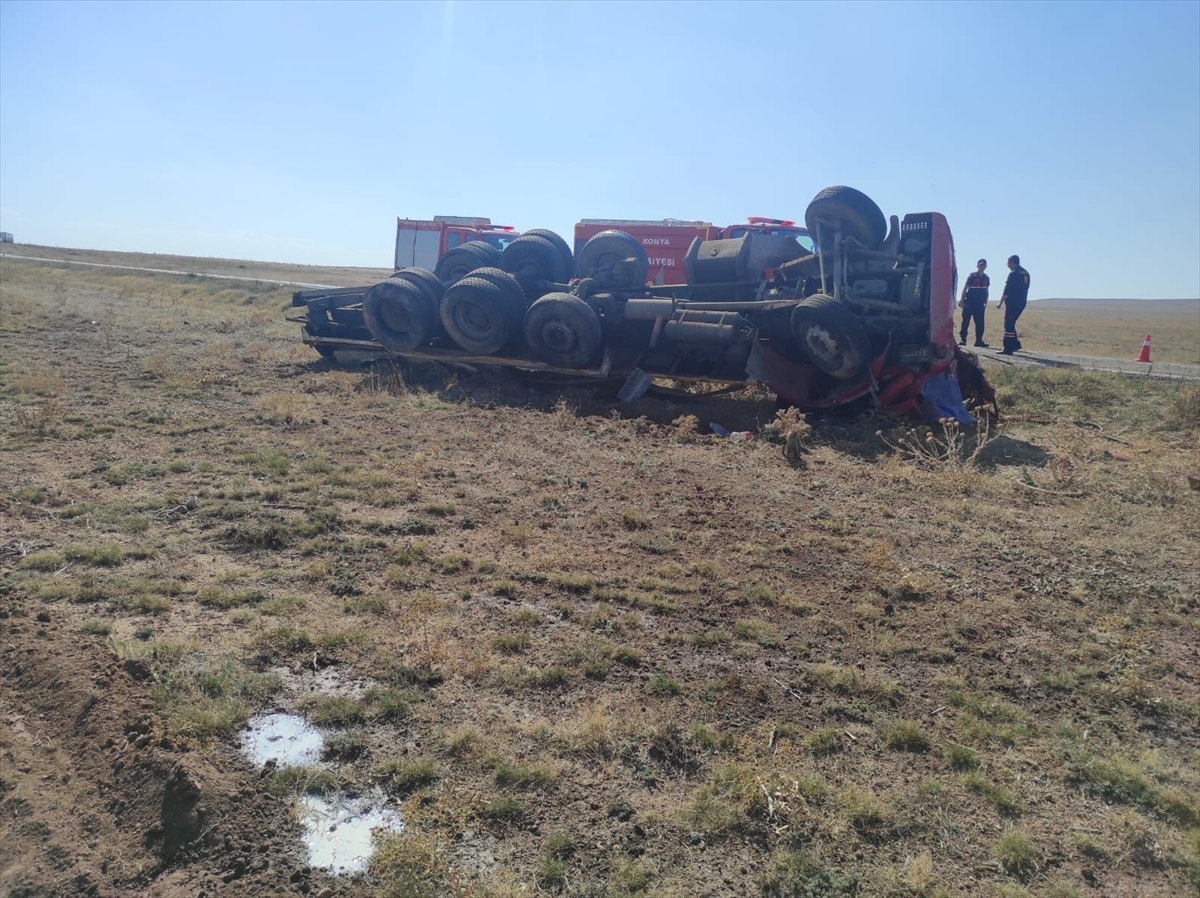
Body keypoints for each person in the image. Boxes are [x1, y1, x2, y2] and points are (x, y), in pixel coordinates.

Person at [997, 255, 1030, 354]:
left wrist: (1001, 302)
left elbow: (1007, 290)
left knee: (1008, 323)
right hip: (1022, 301)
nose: (1007, 265)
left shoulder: (1013, 274)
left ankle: (1008, 348)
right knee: (1011, 323)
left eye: (1008, 263)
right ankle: (1015, 344)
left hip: (1013, 302)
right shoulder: (1026, 273)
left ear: (1012, 262)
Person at [958, 258, 989, 347]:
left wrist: (985, 303)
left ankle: (979, 341)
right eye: (980, 265)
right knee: (965, 322)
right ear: (977, 266)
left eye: (983, 265)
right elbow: (965, 288)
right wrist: (962, 300)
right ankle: (963, 340)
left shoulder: (986, 278)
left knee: (980, 323)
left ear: (986, 266)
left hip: (980, 304)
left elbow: (987, 291)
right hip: (969, 303)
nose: (982, 267)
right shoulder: (972, 276)